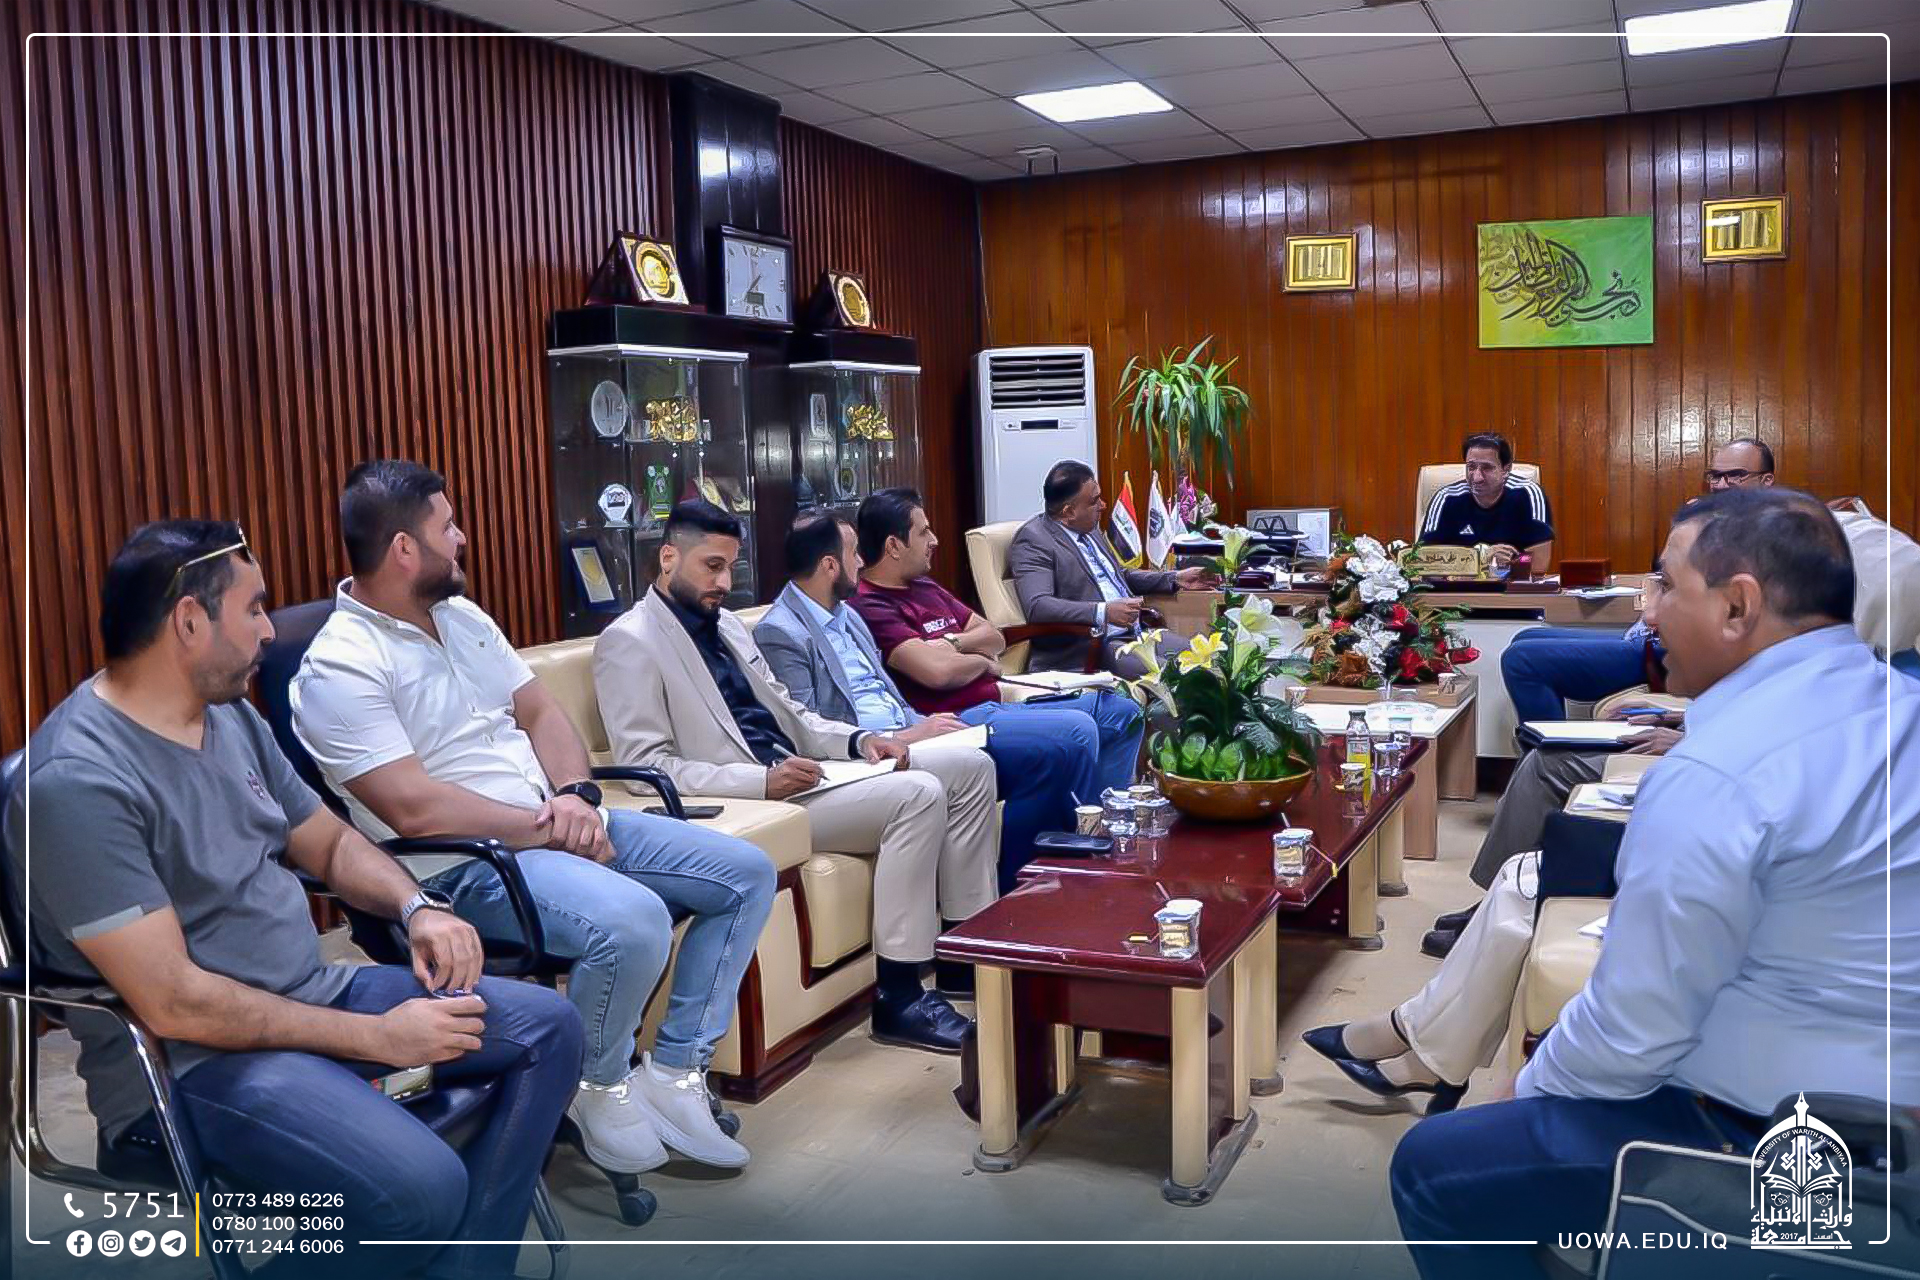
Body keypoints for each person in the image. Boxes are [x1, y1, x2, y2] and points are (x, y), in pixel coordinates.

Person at [13, 520, 583, 1280]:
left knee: (549, 1029)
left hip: (310, 995)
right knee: (421, 1190)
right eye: (253, 608)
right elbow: (175, 1004)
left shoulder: (228, 715)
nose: (269, 630)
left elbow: (330, 843)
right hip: (191, 1068)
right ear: (190, 620)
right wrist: (379, 1039)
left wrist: (416, 907)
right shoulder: (75, 783)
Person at [1388, 487, 1919, 1279]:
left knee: (1437, 1165)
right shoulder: (1896, 702)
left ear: (1738, 606)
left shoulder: (1719, 773)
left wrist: (1520, 1092)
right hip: (1888, 1108)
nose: (1648, 608)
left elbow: (1632, 1034)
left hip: (1777, 1140)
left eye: (1666, 583)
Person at [292, 462, 773, 1174]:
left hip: (552, 822)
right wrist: (551, 826)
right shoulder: (340, 666)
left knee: (745, 873)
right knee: (634, 921)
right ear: (404, 549)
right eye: (447, 527)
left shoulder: (463, 618)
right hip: (465, 867)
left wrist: (577, 794)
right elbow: (411, 808)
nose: (461, 538)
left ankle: (676, 1072)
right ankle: (594, 1083)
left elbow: (541, 711)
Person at [593, 500, 998, 1056]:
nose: (723, 583)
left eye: (730, 567)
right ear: (667, 557)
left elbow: (791, 713)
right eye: (711, 566)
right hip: (753, 801)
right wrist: (761, 782)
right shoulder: (630, 640)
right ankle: (900, 996)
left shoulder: (728, 625)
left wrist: (859, 740)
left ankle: (960, 955)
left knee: (971, 769)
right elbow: (647, 765)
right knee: (918, 793)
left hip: (805, 773)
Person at [756, 511, 1098, 892]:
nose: (861, 563)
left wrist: (922, 724)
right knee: (1037, 756)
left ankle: (1033, 887)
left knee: (1055, 751)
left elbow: (890, 692)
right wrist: (907, 735)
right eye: (853, 554)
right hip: (870, 753)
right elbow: (808, 729)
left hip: (914, 725)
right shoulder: (780, 632)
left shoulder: (846, 615)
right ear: (829, 565)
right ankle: (1013, 893)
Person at [851, 487, 1145, 794]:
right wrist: (982, 662)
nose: (934, 540)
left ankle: (1110, 810)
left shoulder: (925, 586)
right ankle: (1084, 819)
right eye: (924, 532)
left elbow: (994, 636)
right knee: (1078, 730)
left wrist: (952, 645)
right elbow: (937, 673)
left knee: (1124, 712)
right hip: (960, 716)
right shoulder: (871, 604)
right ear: (893, 546)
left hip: (997, 701)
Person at [1498, 438, 1776, 724]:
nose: (1721, 485)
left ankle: (1552, 748)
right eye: (1715, 476)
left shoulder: (1766, 535)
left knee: (1522, 659)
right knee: (1525, 637)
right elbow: (1662, 573)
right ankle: (1554, 740)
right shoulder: (1708, 519)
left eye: (1736, 475)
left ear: (1766, 481)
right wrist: (1687, 527)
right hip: (1652, 636)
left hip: (1679, 648)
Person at [1007, 459, 1219, 677]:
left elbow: (1119, 575)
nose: (1103, 505)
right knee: (1183, 678)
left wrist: (1174, 578)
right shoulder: (1034, 540)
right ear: (1069, 512)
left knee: (1213, 661)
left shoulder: (1089, 528)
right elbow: (1038, 606)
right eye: (1094, 501)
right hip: (1093, 647)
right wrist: (1103, 612)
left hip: (1136, 634)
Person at [1418, 432, 1553, 570]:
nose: (1477, 477)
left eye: (1487, 468)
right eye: (1471, 467)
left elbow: (1538, 564)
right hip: (1459, 584)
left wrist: (1511, 561)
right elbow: (1424, 562)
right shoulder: (1446, 498)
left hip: (1512, 584)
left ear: (1506, 470)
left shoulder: (1529, 495)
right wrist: (1481, 558)